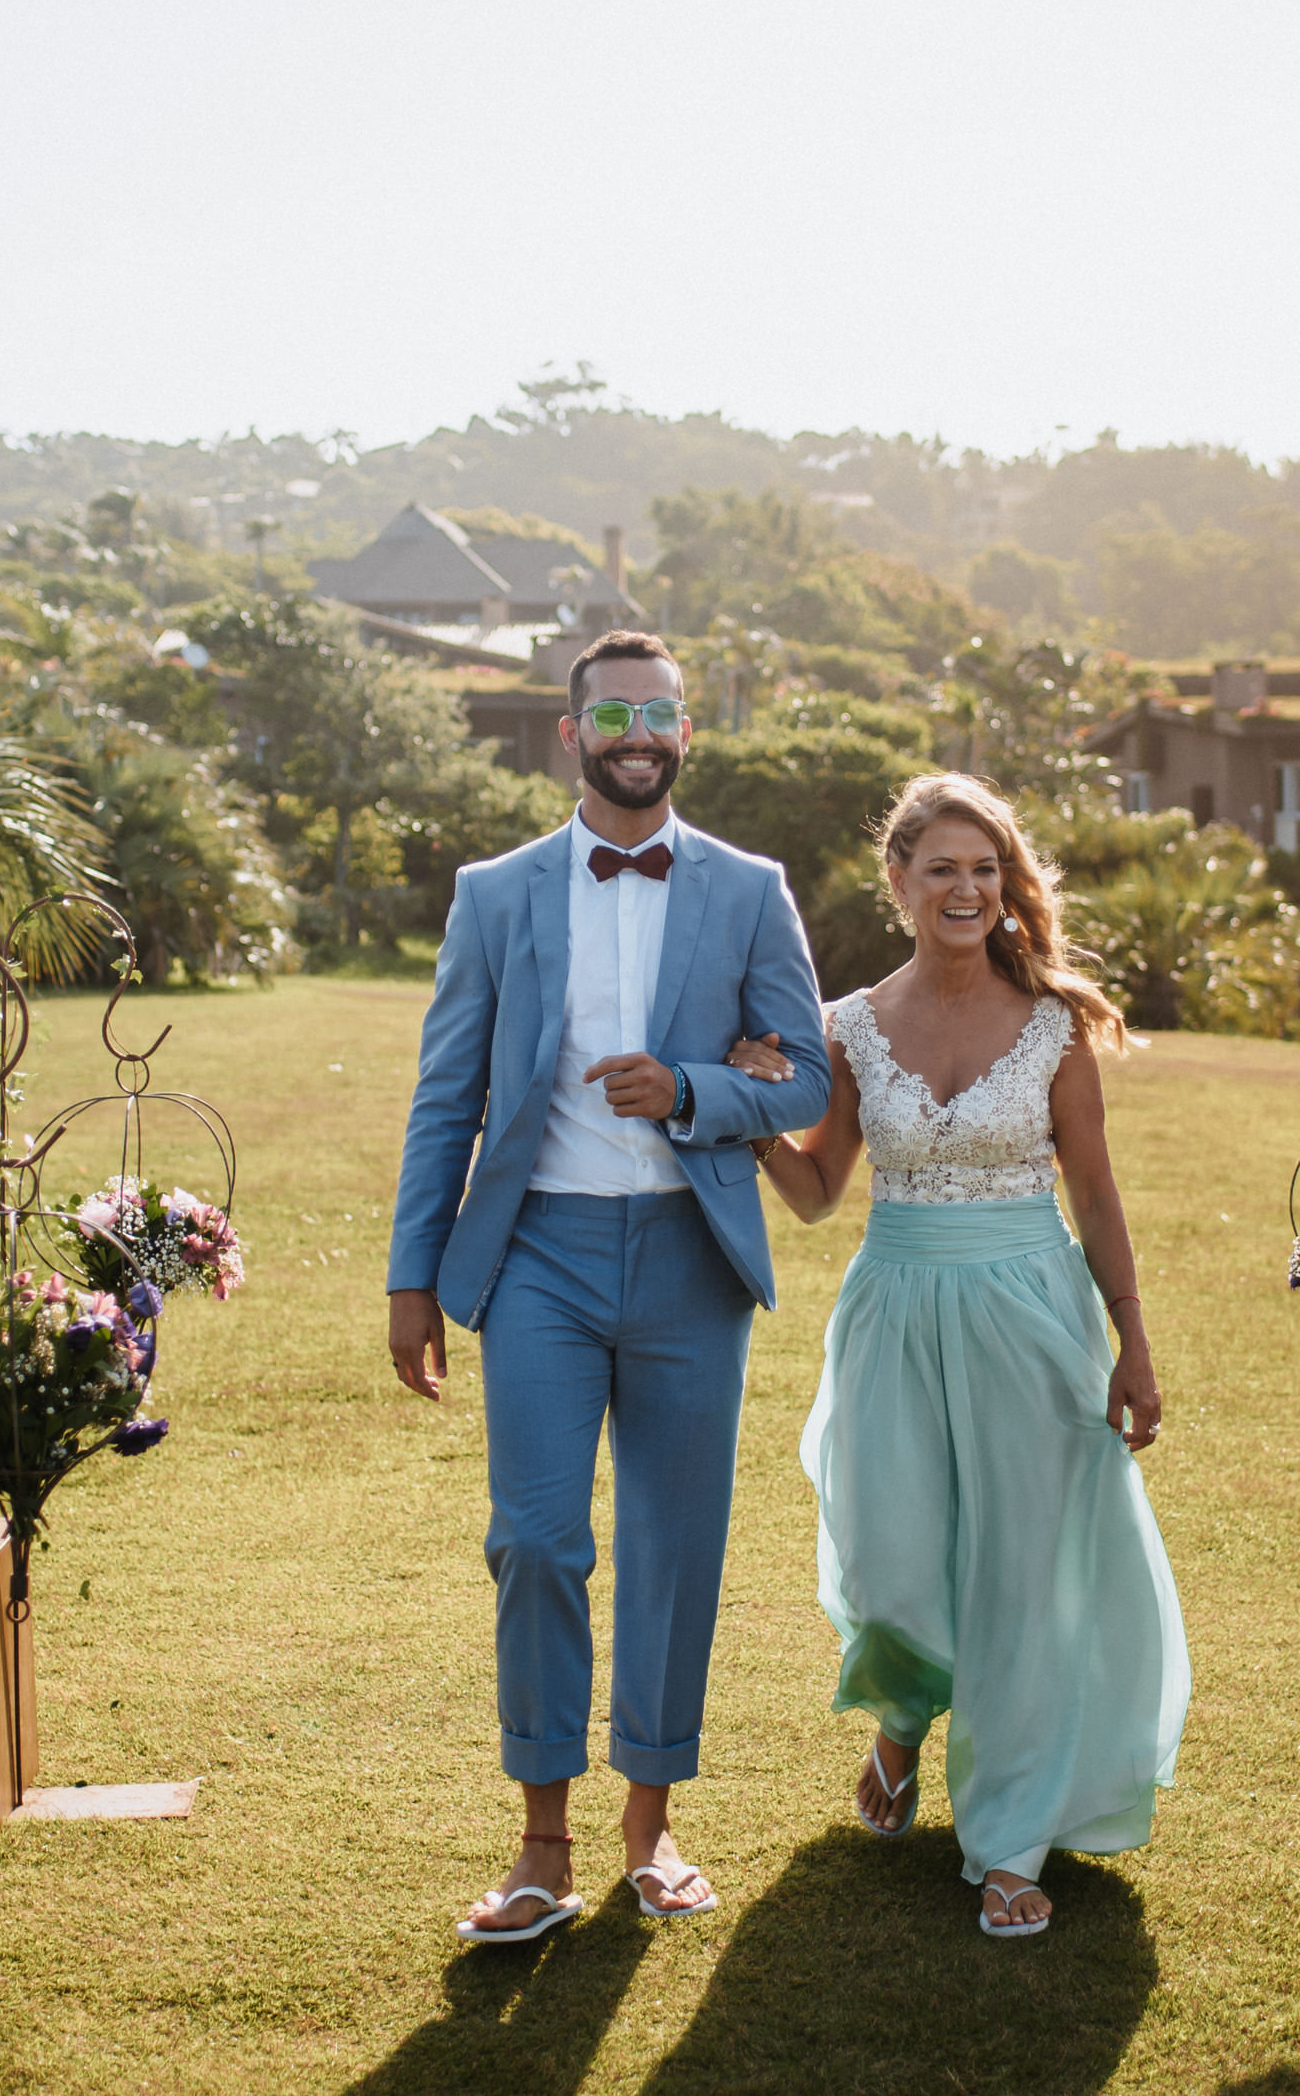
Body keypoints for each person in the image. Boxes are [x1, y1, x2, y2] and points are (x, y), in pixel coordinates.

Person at [384, 631, 832, 1943]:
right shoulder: (497, 893)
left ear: (687, 733)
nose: (639, 732)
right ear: (569, 733)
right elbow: (445, 1095)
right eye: (614, 712)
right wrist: (415, 1277)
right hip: (539, 1258)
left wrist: (694, 1089)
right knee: (534, 1538)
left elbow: (805, 1075)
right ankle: (539, 1845)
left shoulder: (751, 891)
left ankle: (651, 1826)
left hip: (692, 1259)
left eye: (661, 713)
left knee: (674, 1549)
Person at [732, 772, 1186, 1935]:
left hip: (1033, 1313)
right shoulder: (844, 1025)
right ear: (898, 882)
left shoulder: (1053, 1024)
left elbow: (1092, 1187)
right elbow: (820, 1187)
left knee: (1023, 1583)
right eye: (941, 867)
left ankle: (1007, 1840)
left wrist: (1131, 1340)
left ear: (1006, 885)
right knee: (894, 1566)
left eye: (984, 869)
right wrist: (745, 1120)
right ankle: (900, 1711)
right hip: (892, 1308)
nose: (966, 888)